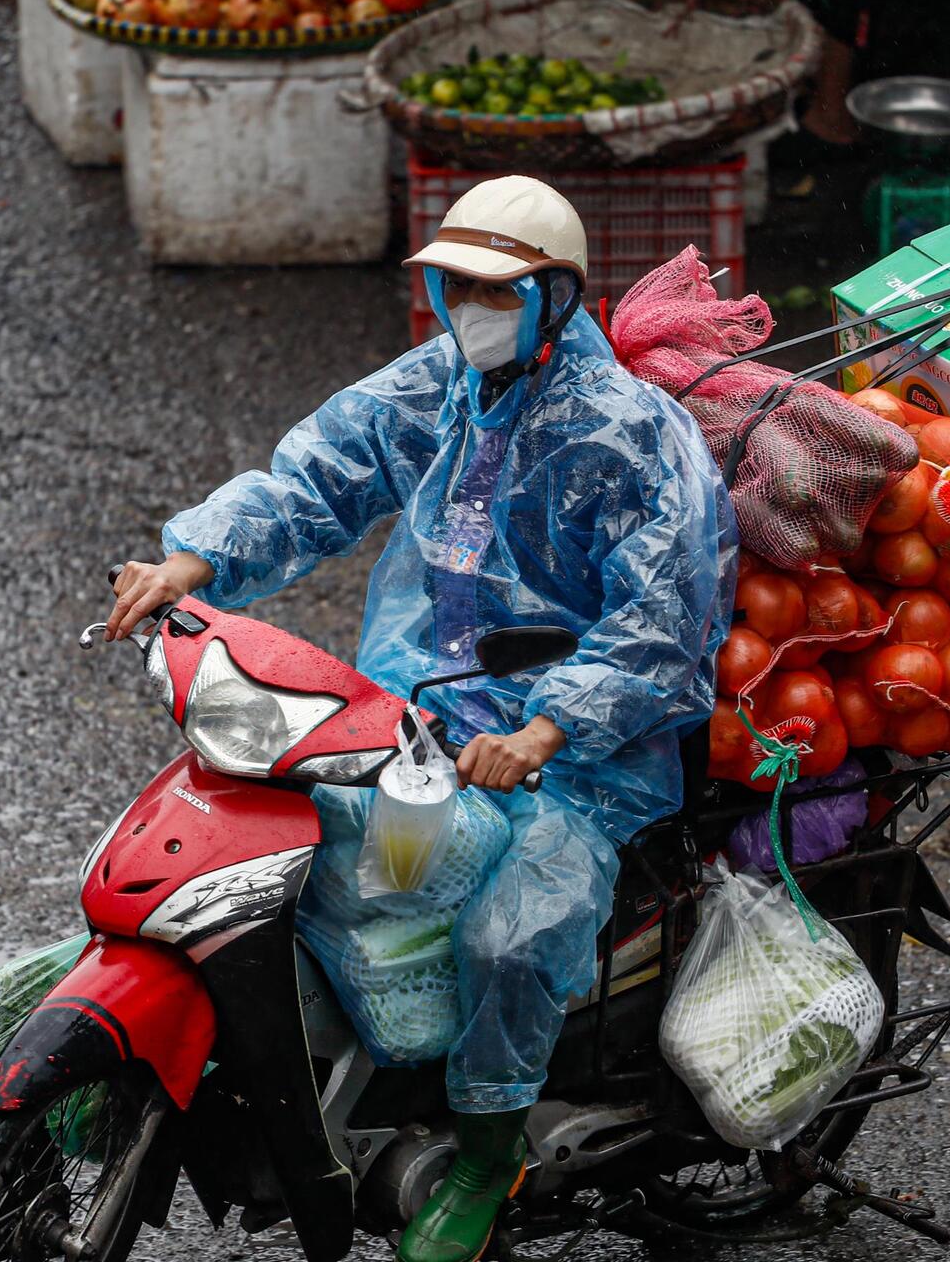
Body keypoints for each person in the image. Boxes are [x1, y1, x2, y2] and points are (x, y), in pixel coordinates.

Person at [103, 176, 736, 1262]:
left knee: (509, 931)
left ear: (554, 297)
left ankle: (489, 1151)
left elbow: (664, 621)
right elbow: (319, 474)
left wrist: (549, 729)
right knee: (296, 858)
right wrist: (194, 559)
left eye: (492, 289)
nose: (465, 306)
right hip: (415, 715)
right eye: (452, 285)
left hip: (579, 760)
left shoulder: (637, 435)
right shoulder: (437, 387)